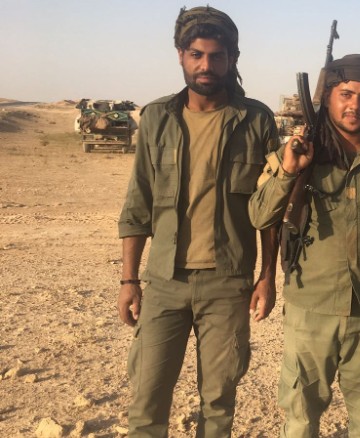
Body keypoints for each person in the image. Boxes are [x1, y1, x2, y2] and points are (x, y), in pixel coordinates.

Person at [116, 6, 279, 436]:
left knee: (219, 403)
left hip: (228, 283)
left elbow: (271, 210)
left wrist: (267, 275)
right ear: (181, 56)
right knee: (147, 399)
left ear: (232, 58)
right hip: (165, 281)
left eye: (217, 56)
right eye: (196, 55)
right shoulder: (157, 118)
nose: (207, 65)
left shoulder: (256, 119)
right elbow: (138, 203)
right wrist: (129, 280)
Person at [248, 54, 360, 437]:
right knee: (300, 413)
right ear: (327, 97)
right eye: (346, 94)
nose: (354, 105)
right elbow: (259, 216)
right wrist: (290, 170)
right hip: (312, 306)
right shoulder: (298, 152)